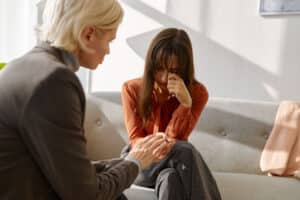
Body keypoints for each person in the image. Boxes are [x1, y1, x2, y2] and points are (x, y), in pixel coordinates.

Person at [0, 0, 169, 199]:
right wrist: (135, 163)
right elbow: (86, 195)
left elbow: (62, 169)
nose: (108, 50)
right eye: (109, 40)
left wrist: (129, 160)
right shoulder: (54, 82)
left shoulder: (19, 67)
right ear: (88, 34)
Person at [121, 28, 222, 200]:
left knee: (170, 179)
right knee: (185, 150)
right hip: (139, 163)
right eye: (159, 68)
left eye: (174, 71)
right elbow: (136, 139)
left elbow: (177, 136)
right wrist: (163, 144)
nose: (163, 78)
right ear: (150, 65)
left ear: (185, 69)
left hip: (175, 163)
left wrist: (185, 103)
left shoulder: (198, 93)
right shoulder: (131, 89)